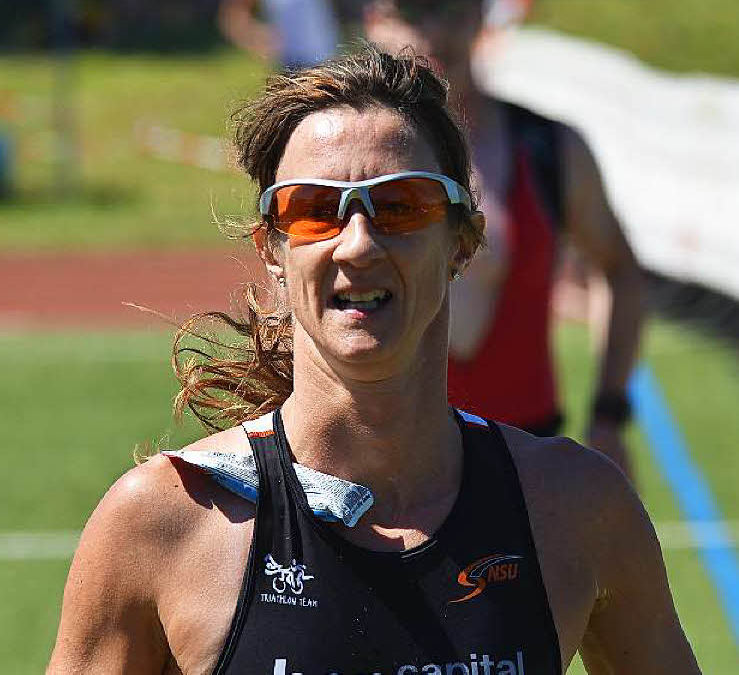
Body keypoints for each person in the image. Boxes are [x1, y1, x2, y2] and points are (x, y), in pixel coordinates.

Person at [46, 47, 700, 674]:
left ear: (462, 241)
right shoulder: (163, 523)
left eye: (400, 205)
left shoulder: (576, 509)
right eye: (312, 211)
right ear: (271, 248)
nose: (357, 243)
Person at [363, 0, 647, 474]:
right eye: (412, 9)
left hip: (524, 458)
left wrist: (609, 414)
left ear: (481, 17)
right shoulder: (345, 160)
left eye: (451, 6)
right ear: (376, 20)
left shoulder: (549, 148)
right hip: (385, 464)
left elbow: (619, 269)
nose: (432, 30)